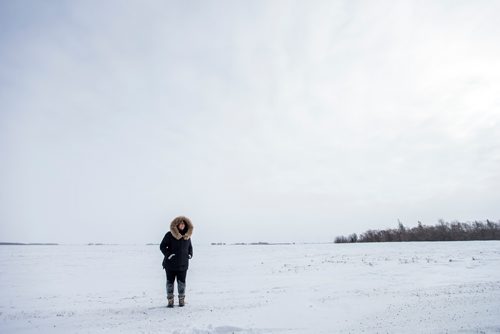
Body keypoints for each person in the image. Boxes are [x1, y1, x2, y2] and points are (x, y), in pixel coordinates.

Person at [159, 216, 193, 307]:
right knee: (170, 283)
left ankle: (181, 300)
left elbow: (190, 248)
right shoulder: (169, 235)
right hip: (170, 265)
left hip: (183, 265)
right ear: (177, 225)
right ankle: (170, 301)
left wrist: (190, 254)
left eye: (183, 224)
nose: (182, 225)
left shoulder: (187, 236)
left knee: (182, 283)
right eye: (180, 223)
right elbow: (162, 246)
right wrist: (168, 255)